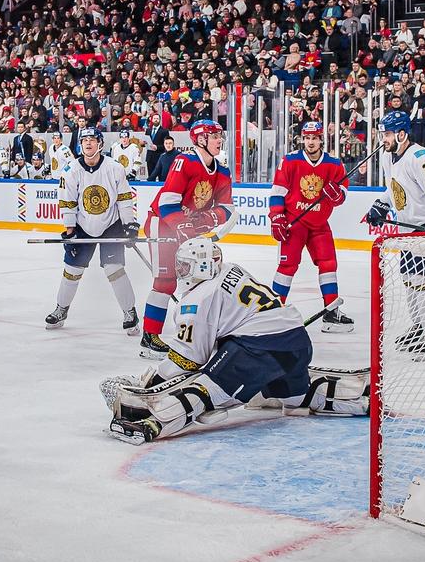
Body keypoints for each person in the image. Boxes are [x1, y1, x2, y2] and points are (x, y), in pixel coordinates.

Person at [105, 239, 369, 444]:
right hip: (297, 342)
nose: (181, 271)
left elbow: (188, 358)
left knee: (204, 390)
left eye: (185, 266)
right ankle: (359, 401)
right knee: (296, 398)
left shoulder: (198, 299)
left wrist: (153, 383)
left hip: (257, 349)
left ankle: (152, 424)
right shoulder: (232, 269)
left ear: (203, 266)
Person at [140, 119, 235, 359]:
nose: (218, 141)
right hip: (161, 224)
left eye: (219, 137)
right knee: (166, 282)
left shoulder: (222, 171)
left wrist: (207, 219)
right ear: (201, 140)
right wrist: (183, 227)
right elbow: (167, 203)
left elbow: (227, 209)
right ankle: (149, 337)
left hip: (188, 231)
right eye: (214, 137)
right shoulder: (185, 162)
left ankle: (195, 333)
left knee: (200, 282)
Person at [365, 111, 425, 359]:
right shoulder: (387, 156)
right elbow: (393, 188)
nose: (384, 138)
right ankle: (420, 328)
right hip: (407, 231)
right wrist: (380, 204)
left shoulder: (419, 157)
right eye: (383, 134)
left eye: (388, 134)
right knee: (410, 282)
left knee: (424, 285)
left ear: (402, 134)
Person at [44, 127, 140, 334]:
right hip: (83, 226)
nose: (88, 143)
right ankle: (61, 309)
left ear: (100, 144)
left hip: (111, 225)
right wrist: (70, 231)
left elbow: (124, 199)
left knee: (114, 269)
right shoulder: (70, 170)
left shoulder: (115, 168)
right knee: (72, 271)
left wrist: (129, 226)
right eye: (84, 140)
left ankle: (130, 312)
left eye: (92, 140)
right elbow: (67, 202)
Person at [268, 122, 354, 332]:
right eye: (307, 138)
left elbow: (342, 194)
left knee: (329, 264)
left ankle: (331, 311)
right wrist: (277, 217)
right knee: (287, 266)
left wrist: (337, 195)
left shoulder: (334, 164)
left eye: (314, 138)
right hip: (294, 222)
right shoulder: (290, 160)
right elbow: (277, 192)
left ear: (321, 139)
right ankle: (273, 310)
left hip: (319, 224)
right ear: (302, 139)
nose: (310, 142)